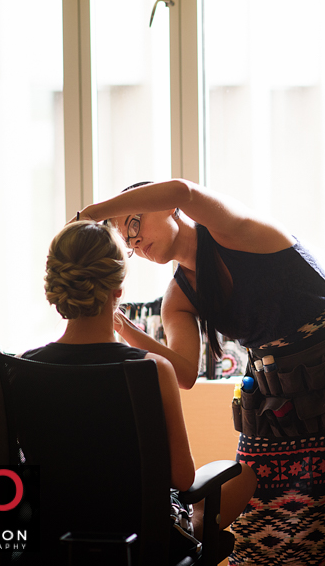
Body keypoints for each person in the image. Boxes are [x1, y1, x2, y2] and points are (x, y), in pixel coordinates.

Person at [76, 178, 325, 565]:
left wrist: (96, 213)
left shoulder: (235, 231)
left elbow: (183, 189)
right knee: (262, 532)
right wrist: (124, 328)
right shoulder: (178, 296)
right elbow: (183, 373)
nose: (135, 243)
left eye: (134, 224)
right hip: (276, 409)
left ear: (167, 209)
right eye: (128, 241)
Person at [22, 220, 257, 552]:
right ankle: (193, 534)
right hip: (140, 539)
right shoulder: (152, 369)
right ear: (118, 290)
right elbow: (183, 477)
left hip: (50, 538)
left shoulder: (23, 366)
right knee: (243, 476)